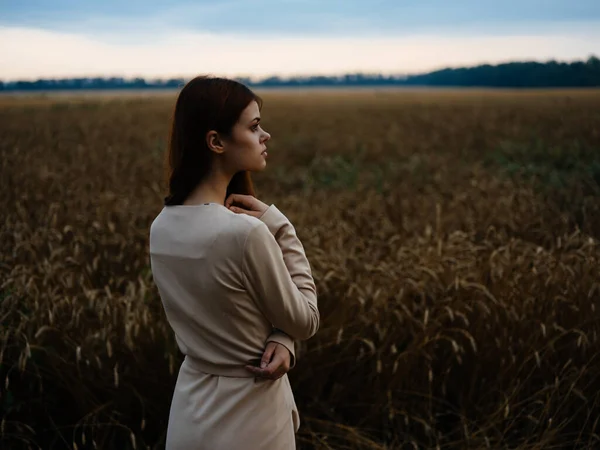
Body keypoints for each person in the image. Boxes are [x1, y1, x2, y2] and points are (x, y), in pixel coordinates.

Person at [149, 76, 320, 450]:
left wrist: (280, 337)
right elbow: (305, 318)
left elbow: (231, 314)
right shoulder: (245, 234)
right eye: (255, 126)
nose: (266, 136)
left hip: (190, 413)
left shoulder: (160, 228)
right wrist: (282, 226)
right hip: (251, 418)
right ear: (216, 142)